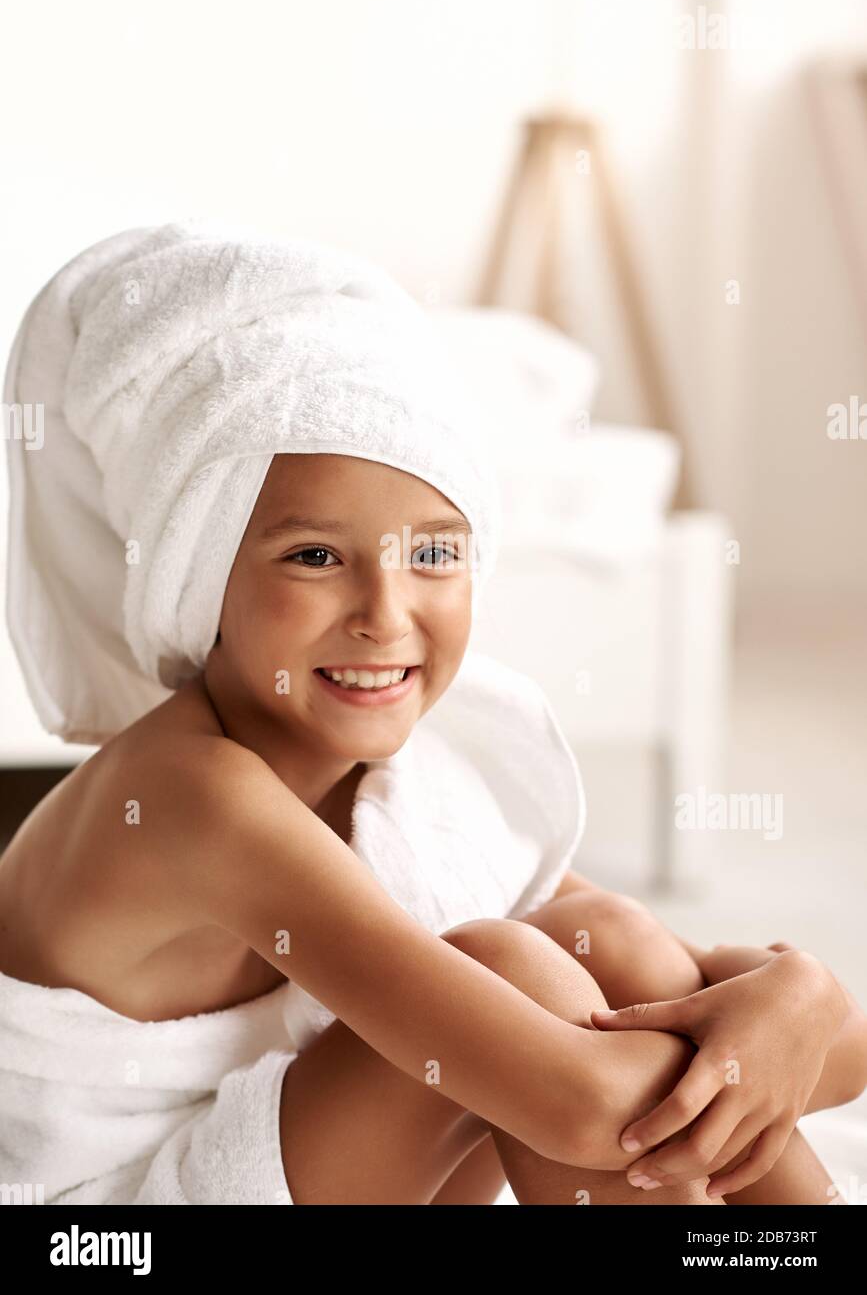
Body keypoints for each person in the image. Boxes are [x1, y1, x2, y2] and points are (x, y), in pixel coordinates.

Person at [0, 221, 864, 1206]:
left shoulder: (410, 774)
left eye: (435, 554)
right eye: (315, 556)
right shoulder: (191, 795)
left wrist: (799, 996)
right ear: (201, 579)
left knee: (608, 938)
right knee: (520, 976)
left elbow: (816, 1040)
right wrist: (764, 1046)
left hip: (277, 1161)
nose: (385, 614)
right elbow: (582, 1106)